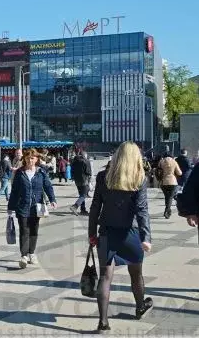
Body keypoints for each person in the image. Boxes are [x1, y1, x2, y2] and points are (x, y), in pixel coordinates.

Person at [88, 141, 153, 332]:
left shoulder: (103, 177)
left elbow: (94, 208)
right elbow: (142, 210)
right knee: (136, 274)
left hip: (107, 232)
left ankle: (103, 322)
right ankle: (140, 306)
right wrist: (146, 237)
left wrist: (92, 233)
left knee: (105, 277)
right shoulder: (139, 178)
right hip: (131, 233)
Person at [7, 148, 57, 268]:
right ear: (24, 159)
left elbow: (48, 186)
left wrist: (52, 200)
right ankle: (24, 255)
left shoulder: (41, 172)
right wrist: (10, 207)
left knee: (34, 231)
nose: (30, 160)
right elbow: (14, 191)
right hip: (22, 206)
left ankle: (32, 253)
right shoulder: (20, 173)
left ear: (36, 159)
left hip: (36, 207)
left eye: (33, 158)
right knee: (24, 231)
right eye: (28, 158)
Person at [157, 152, 181, 219]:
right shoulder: (174, 162)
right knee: (170, 197)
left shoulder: (161, 161)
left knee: (167, 197)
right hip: (173, 182)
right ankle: (167, 211)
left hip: (163, 182)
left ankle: (167, 211)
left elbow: (158, 171)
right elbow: (179, 173)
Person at [71, 151, 93, 216]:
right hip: (84, 180)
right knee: (84, 195)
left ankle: (83, 210)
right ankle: (75, 206)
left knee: (81, 195)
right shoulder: (86, 161)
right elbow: (89, 172)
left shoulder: (74, 161)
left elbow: (72, 171)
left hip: (77, 181)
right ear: (84, 155)